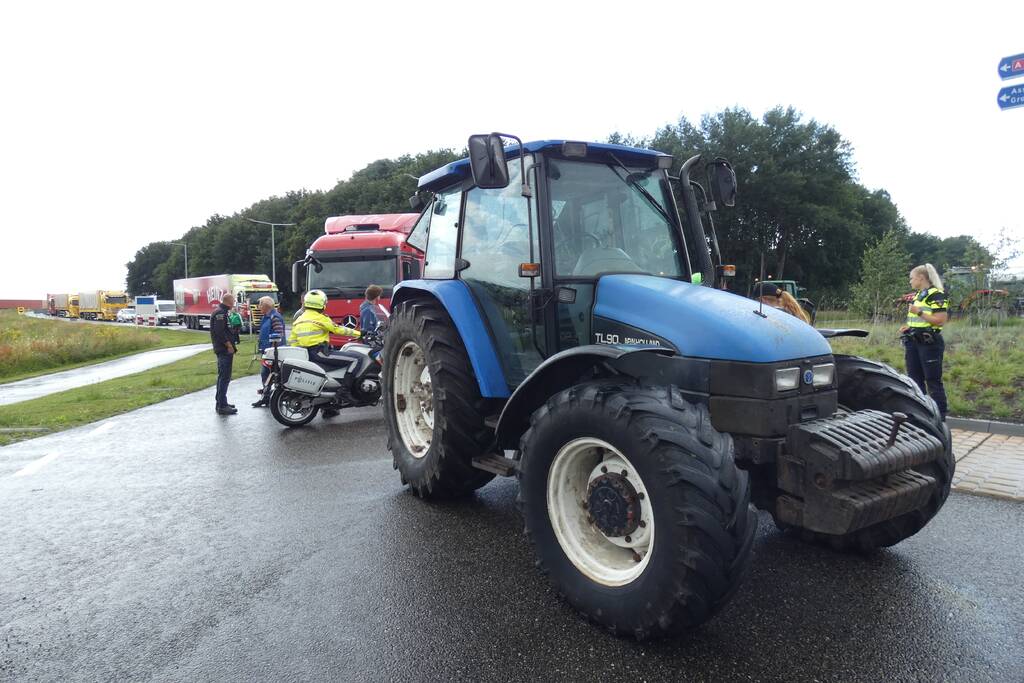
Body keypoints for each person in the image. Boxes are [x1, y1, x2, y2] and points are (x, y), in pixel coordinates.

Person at [289, 290, 362, 418]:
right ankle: (344, 392)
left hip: (306, 354)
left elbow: (293, 341)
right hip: (320, 352)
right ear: (322, 304)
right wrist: (360, 333)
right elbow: (338, 329)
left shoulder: (299, 319)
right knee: (357, 359)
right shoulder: (321, 318)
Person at [900, 263, 949, 419]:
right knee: (914, 380)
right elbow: (918, 321)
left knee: (932, 380)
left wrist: (919, 312)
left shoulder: (937, 294)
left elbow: (940, 320)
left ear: (921, 278)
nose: (910, 281)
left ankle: (939, 416)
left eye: (911, 278)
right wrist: (908, 327)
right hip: (913, 341)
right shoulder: (918, 294)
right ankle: (920, 414)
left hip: (929, 344)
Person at [252, 296, 286, 407]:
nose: (259, 307)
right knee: (265, 374)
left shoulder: (274, 317)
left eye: (260, 304)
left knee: (273, 375)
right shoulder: (265, 317)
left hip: (273, 353)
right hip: (266, 351)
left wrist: (272, 351)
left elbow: (279, 334)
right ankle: (266, 397)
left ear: (266, 305)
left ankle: (276, 397)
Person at [211, 293, 237, 415]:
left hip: (224, 349)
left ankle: (222, 402)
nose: (235, 303)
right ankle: (222, 405)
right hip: (223, 350)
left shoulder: (223, 312)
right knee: (224, 377)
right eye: (234, 300)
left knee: (224, 377)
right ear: (229, 301)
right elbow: (220, 332)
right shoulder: (220, 313)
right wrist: (229, 345)